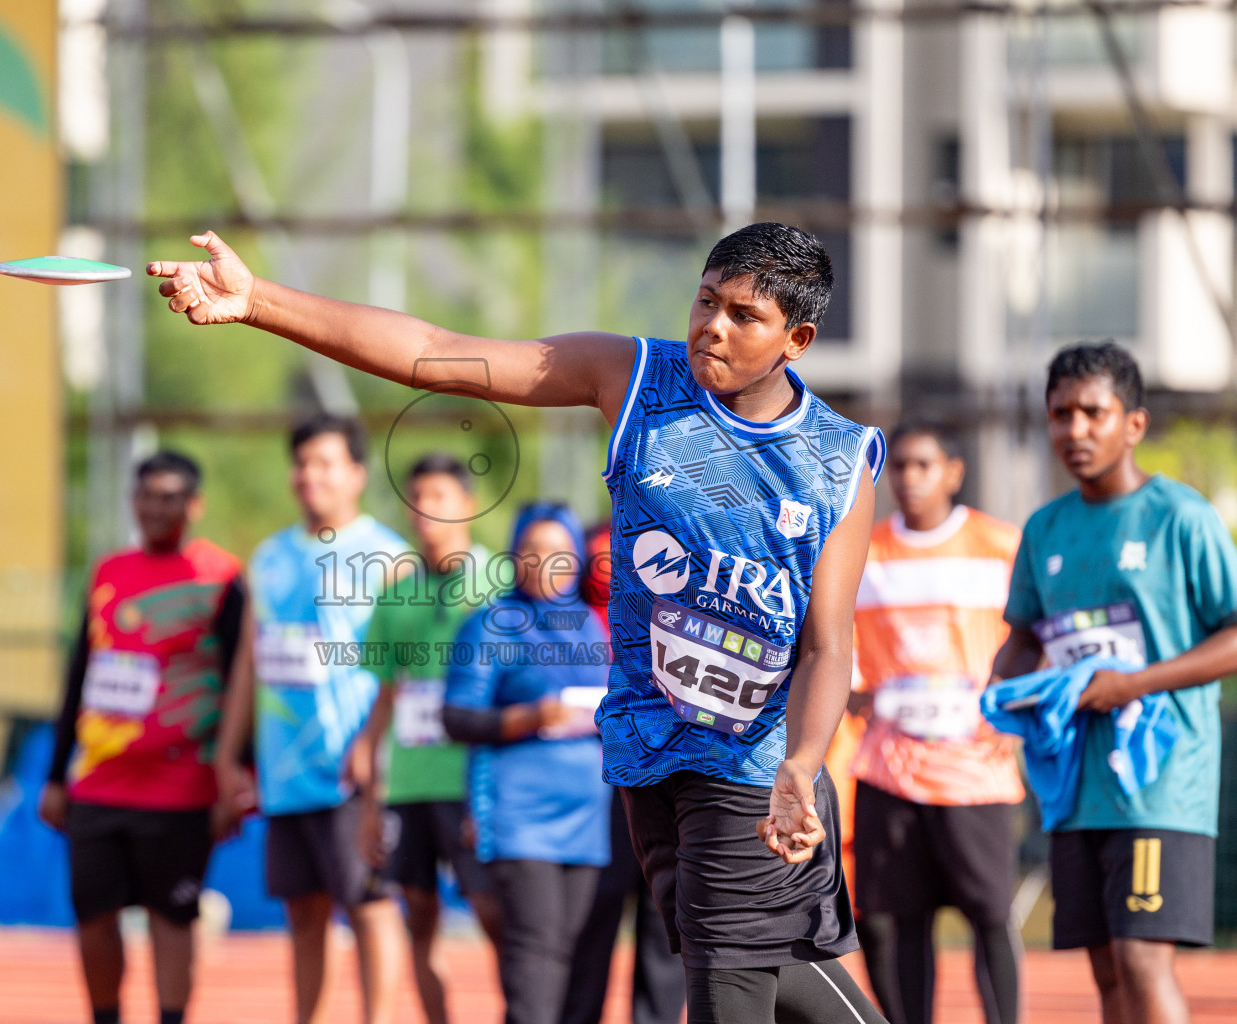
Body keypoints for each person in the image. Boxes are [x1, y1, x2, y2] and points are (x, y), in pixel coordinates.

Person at [148, 220, 887, 1023]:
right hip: (647, 760)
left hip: (756, 769)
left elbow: (827, 640)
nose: (712, 325)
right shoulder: (636, 376)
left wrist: (802, 762)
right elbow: (436, 351)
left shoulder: (837, 460)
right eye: (706, 301)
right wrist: (258, 301)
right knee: (762, 973)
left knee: (724, 992)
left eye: (744, 316)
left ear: (797, 338)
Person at [991, 341, 1237, 1024]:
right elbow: (1024, 638)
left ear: (1134, 423)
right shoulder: (1045, 529)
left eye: (1093, 413)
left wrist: (1134, 684)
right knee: (1105, 970)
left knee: (1140, 960)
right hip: (1074, 786)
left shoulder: (1180, 518)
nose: (1074, 430)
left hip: (1160, 783)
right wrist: (1000, 693)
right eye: (1060, 414)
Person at [211, 414, 409, 1024]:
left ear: (355, 473)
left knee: (370, 904)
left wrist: (376, 750)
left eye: (325, 463)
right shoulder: (268, 556)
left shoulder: (389, 557)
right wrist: (226, 752)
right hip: (284, 769)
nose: (309, 476)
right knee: (303, 910)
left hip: (353, 768)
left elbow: (406, 668)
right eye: (301, 463)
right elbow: (250, 658)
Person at [40, 451, 246, 1024]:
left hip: (181, 785)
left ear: (194, 506)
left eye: (170, 497)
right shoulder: (108, 572)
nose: (156, 507)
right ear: (134, 501)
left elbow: (239, 683)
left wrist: (236, 776)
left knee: (171, 918)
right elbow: (79, 674)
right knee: (94, 916)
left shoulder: (222, 577)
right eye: (146, 496)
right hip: (99, 782)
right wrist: (56, 776)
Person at [848, 423, 1025, 1024]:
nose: (908, 477)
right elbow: (834, 650)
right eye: (897, 465)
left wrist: (1013, 709)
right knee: (900, 920)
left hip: (976, 770)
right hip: (888, 769)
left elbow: (1038, 638)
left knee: (990, 916)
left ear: (953, 471)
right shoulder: (861, 552)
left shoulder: (1000, 545)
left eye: (924, 464)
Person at [347, 453, 504, 1024]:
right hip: (410, 784)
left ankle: (523, 1009)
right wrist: (370, 802)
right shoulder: (395, 595)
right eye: (417, 499)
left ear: (466, 504)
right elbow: (385, 699)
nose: (426, 511)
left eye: (439, 497)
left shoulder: (501, 584)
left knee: (493, 913)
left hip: (474, 781)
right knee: (417, 916)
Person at [443, 503, 612, 1024]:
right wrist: (530, 717)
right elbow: (457, 718)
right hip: (520, 814)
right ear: (514, 557)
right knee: (535, 951)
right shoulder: (491, 625)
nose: (546, 564)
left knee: (570, 949)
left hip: (587, 818)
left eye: (559, 553)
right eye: (532, 552)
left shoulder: (590, 625)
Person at [560, 524, 685, 1024]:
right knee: (591, 921)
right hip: (594, 795)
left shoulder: (675, 615)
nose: (611, 570)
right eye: (600, 559)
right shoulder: (569, 624)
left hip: (664, 783)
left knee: (663, 923)